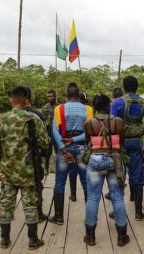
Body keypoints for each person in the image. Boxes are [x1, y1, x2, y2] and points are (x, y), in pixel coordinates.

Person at [0, 86, 49, 250]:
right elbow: (45, 143)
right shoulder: (33, 120)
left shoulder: (1, 120)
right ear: (26, 100)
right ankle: (33, 240)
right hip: (28, 171)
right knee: (30, 205)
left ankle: (4, 239)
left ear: (11, 100)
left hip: (7, 171)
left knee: (6, 204)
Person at [83, 94, 130, 247]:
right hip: (114, 160)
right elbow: (122, 141)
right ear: (109, 106)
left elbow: (87, 141)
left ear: (95, 107)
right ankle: (122, 237)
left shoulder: (89, 123)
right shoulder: (118, 122)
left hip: (95, 160)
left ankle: (90, 237)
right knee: (117, 197)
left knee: (93, 198)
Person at [110, 76, 144, 221]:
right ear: (137, 87)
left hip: (120, 144)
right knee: (137, 176)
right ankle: (138, 212)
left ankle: (118, 210)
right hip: (136, 143)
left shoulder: (117, 103)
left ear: (124, 87)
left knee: (118, 175)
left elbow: (111, 124)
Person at [49, 83, 93, 224]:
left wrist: (63, 147)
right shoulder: (88, 109)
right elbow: (89, 132)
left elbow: (54, 130)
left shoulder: (59, 109)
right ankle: (90, 217)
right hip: (82, 148)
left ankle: (59, 217)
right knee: (86, 182)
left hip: (64, 150)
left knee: (60, 182)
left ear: (66, 96)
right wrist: (74, 139)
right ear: (78, 95)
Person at [23, 86, 47, 222]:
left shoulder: (8, 117)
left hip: (12, 160)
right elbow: (44, 140)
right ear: (30, 99)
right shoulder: (38, 115)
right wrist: (44, 155)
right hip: (33, 156)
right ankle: (39, 212)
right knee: (37, 184)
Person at [41, 89, 59, 175]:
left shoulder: (59, 107)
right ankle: (46, 168)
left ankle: (59, 169)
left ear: (55, 96)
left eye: (51, 96)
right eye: (48, 96)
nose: (49, 98)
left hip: (57, 132)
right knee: (47, 151)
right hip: (47, 132)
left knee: (58, 150)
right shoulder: (45, 107)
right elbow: (42, 121)